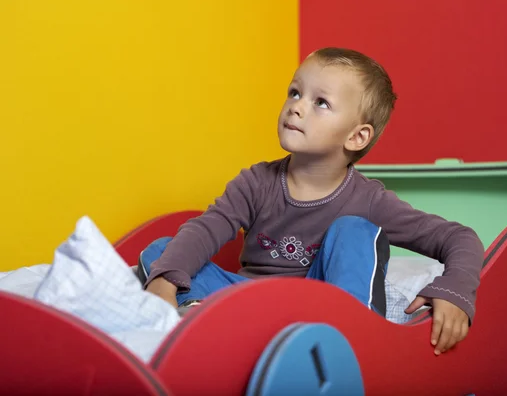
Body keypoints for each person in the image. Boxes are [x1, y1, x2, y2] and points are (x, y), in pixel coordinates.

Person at [142, 47, 485, 355]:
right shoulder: (255, 182)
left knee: (353, 230)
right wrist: (164, 281)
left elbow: (459, 238)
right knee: (161, 251)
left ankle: (352, 337)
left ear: (356, 136)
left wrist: (454, 290)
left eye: (320, 102)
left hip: (323, 310)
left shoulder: (368, 199)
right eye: (295, 92)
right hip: (249, 298)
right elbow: (207, 229)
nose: (296, 107)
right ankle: (198, 318)